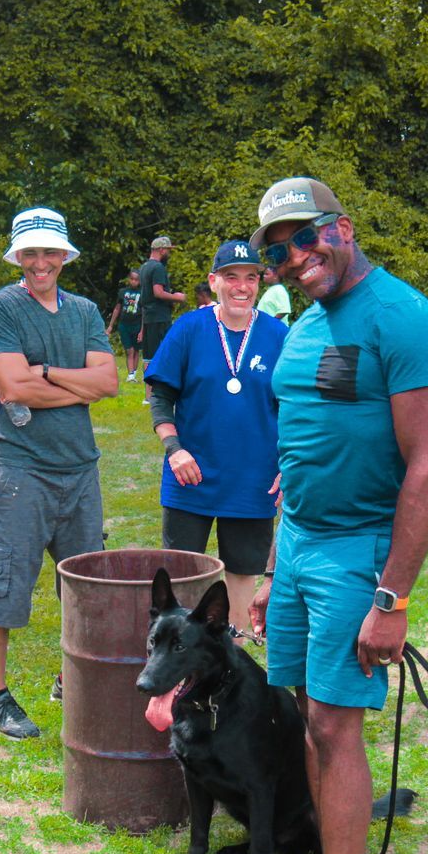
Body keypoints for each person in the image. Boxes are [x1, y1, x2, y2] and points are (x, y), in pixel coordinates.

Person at [241, 177, 428, 854]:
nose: (296, 257)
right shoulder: (300, 325)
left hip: (357, 554)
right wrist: (270, 570)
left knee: (336, 726)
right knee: (309, 715)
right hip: (298, 548)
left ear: (344, 228)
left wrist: (391, 599)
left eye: (306, 237)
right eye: (277, 249)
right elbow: (298, 453)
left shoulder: (405, 320)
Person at [0, 207, 118, 739]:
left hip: (80, 469)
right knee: (5, 581)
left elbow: (108, 384)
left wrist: (47, 372)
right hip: (21, 468)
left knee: (86, 587)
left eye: (49, 252)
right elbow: (12, 387)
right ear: (18, 257)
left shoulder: (82, 310)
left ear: (64, 256)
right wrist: (71, 382)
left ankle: (70, 677)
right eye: (30, 253)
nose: (41, 262)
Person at [144, 239, 290, 618]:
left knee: (242, 574)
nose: (241, 286)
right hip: (190, 474)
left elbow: (297, 408)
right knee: (181, 576)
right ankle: (179, 662)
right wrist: (174, 449)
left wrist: (288, 463)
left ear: (260, 282)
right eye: (231, 277)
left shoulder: (278, 336)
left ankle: (234, 659)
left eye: (250, 278)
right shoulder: (189, 328)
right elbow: (161, 397)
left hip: (255, 479)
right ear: (214, 281)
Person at [137, 236, 188, 397]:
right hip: (159, 316)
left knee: (148, 355)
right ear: (161, 250)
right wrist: (177, 297)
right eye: (168, 251)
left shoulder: (144, 267)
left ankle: (148, 395)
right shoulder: (158, 268)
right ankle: (159, 393)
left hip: (148, 317)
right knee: (164, 352)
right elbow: (158, 292)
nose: (169, 254)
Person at [105, 269, 144, 380]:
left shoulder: (142, 293)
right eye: (131, 279)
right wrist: (111, 325)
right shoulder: (123, 292)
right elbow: (117, 308)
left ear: (140, 281)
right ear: (128, 279)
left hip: (137, 325)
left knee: (136, 350)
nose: (133, 282)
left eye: (136, 280)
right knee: (129, 350)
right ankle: (130, 374)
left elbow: (144, 313)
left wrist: (142, 330)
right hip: (124, 324)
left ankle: (133, 374)